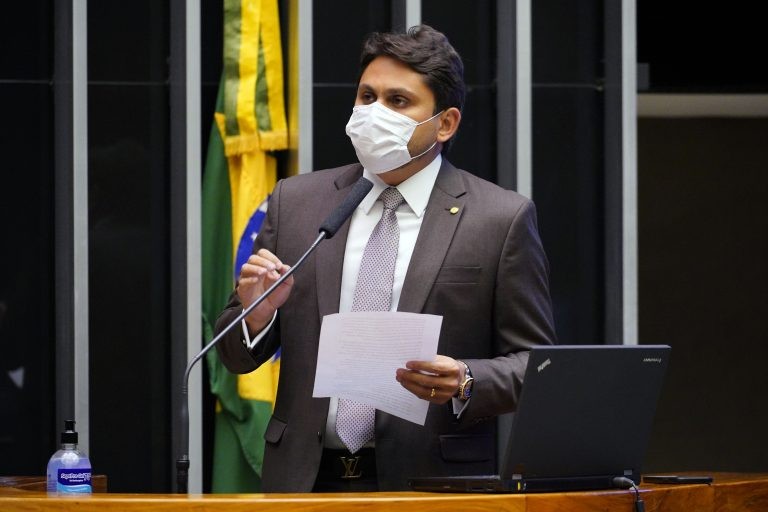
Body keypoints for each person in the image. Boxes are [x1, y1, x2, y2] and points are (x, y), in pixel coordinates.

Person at [215, 24, 556, 492]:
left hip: (430, 483)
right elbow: (234, 356)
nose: (375, 112)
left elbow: (536, 364)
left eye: (398, 101)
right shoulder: (297, 203)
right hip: (303, 480)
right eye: (367, 96)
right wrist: (255, 314)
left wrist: (466, 379)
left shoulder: (499, 219)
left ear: (445, 123)